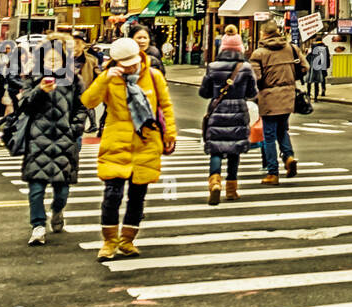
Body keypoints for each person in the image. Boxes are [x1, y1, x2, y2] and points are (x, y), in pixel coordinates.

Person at [80, 35, 176, 261]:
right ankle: (109, 242)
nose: (132, 67)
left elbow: (165, 106)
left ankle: (127, 240)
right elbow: (88, 101)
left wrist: (170, 132)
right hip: (116, 144)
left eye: (134, 62)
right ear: (115, 63)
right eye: (126, 64)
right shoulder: (109, 78)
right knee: (112, 195)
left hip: (145, 143)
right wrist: (104, 79)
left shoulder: (153, 76)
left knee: (137, 196)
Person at [18, 36, 88, 245]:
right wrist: (40, 90)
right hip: (38, 141)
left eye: (56, 59)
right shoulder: (33, 78)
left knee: (62, 191)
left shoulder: (74, 80)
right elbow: (25, 106)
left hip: (64, 141)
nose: (52, 63)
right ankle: (38, 225)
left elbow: (82, 107)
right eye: (48, 59)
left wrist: (74, 128)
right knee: (36, 189)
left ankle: (57, 210)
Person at [199, 30, 258, 204]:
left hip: (218, 110)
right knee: (234, 150)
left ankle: (215, 182)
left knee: (216, 149)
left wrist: (216, 92)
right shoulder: (246, 68)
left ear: (222, 48)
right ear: (240, 48)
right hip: (239, 110)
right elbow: (252, 92)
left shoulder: (213, 67)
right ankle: (231, 190)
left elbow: (204, 92)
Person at [250, 19, 308, 184]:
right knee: (283, 130)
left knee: (269, 136)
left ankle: (272, 173)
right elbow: (305, 67)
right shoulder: (291, 49)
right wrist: (291, 78)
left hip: (268, 98)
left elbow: (256, 77)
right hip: (288, 96)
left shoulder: (259, 53)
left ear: (264, 34)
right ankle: (289, 157)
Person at [306, 34, 331, 101]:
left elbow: (308, 56)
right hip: (323, 65)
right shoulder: (325, 47)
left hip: (314, 65)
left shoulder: (313, 46)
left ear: (316, 40)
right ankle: (322, 91)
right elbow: (327, 57)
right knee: (321, 79)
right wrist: (327, 65)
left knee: (310, 80)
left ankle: (308, 93)